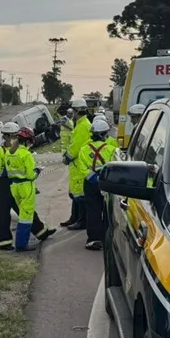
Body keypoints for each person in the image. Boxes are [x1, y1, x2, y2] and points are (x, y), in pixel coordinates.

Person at [6, 127, 55, 251]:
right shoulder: (26, 154)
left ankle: (38, 234)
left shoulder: (9, 153)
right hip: (26, 187)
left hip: (14, 187)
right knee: (26, 216)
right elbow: (30, 175)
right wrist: (38, 170)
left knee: (24, 213)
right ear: (27, 141)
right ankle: (21, 244)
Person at [76, 115, 118, 250]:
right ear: (104, 134)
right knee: (108, 210)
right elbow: (115, 167)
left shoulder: (84, 149)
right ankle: (107, 237)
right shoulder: (111, 149)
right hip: (107, 182)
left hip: (90, 183)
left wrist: (92, 177)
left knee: (92, 210)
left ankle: (93, 239)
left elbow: (81, 166)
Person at [63, 98, 92, 230]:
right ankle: (74, 218)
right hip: (77, 165)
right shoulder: (81, 124)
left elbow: (77, 146)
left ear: (76, 111)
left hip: (79, 164)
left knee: (80, 195)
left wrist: (67, 157)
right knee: (75, 193)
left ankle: (82, 221)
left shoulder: (83, 126)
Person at [0, 122, 20, 250]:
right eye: (14, 135)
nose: (16, 138)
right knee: (3, 215)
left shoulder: (19, 149)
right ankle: (5, 242)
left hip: (16, 184)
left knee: (25, 209)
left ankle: (41, 232)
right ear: (6, 136)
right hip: (2, 186)